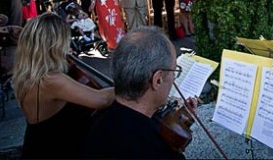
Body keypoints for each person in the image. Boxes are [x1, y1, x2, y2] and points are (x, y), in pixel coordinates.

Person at [84, 26, 198, 159]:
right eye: (174, 71)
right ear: (157, 80)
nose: (173, 78)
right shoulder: (158, 152)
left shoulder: (98, 121)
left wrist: (177, 120)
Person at [12, 13, 115, 159]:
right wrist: (127, 86)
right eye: (64, 41)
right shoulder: (51, 81)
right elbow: (101, 100)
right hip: (56, 150)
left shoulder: (28, 74)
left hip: (38, 145)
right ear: (53, 46)